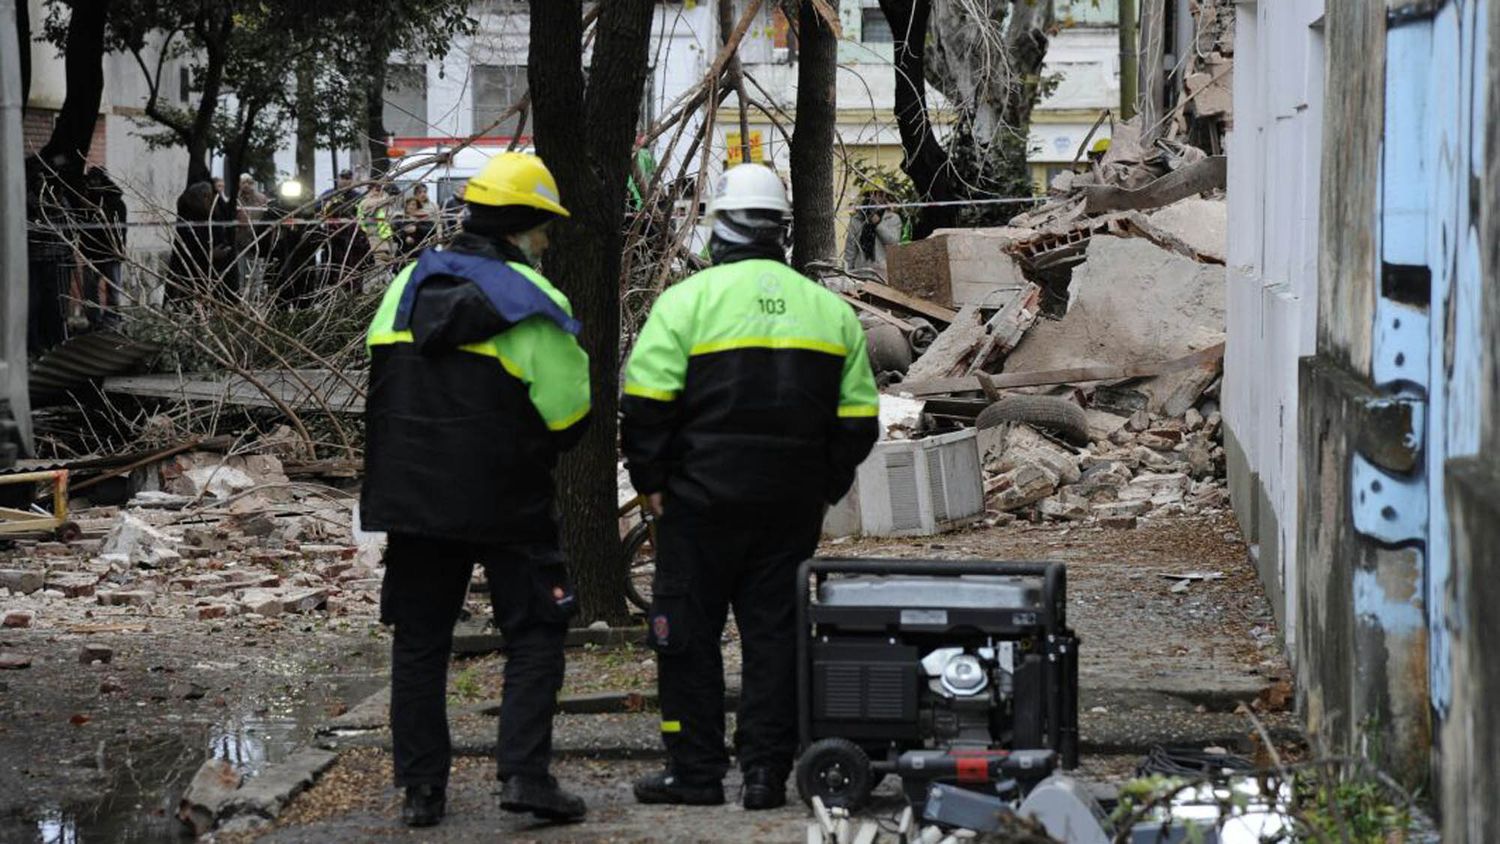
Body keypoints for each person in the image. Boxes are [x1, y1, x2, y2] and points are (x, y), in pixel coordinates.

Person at [622, 164, 880, 810]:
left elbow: (646, 402)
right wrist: (825, 482)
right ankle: (765, 772)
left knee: (685, 636)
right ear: (780, 231)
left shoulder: (686, 302)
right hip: (789, 507)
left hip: (696, 503)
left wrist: (651, 480)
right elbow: (859, 420)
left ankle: (697, 771)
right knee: (775, 638)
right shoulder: (830, 311)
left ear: (721, 226)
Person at [360, 152, 592, 829]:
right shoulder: (538, 302)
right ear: (522, 227)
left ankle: (422, 791)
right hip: (507, 496)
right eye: (544, 229)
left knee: (421, 639)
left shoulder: (403, 286)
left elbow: (383, 388)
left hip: (412, 498)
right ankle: (525, 777)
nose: (545, 243)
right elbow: (570, 415)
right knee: (537, 629)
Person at [842, 185, 902, 275]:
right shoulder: (857, 220)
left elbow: (893, 242)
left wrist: (878, 224)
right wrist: (846, 274)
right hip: (861, 273)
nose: (875, 198)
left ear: (885, 197)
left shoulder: (892, 218)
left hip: (884, 274)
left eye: (880, 194)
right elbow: (850, 251)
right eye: (871, 194)